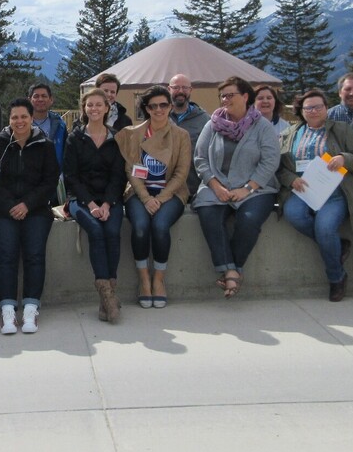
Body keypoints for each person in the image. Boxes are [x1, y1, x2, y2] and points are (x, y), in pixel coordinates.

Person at [193, 77, 280, 299]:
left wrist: (247, 189)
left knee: (249, 219)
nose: (225, 99)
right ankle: (230, 270)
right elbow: (200, 158)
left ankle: (234, 268)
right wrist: (215, 184)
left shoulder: (262, 126)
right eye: (222, 95)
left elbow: (270, 161)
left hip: (256, 189)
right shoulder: (212, 124)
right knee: (209, 215)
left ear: (245, 96)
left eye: (230, 94)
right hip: (216, 185)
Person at [277, 90, 353, 302]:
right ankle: (338, 245)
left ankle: (336, 278)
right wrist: (291, 179)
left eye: (319, 106)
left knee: (325, 228)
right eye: (309, 107)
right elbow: (279, 167)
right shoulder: (289, 133)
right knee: (294, 215)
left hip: (335, 193)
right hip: (302, 191)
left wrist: (344, 158)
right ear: (301, 111)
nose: (314, 111)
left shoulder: (342, 129)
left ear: (327, 108)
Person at [115, 85, 191, 309]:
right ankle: (144, 279)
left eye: (163, 105)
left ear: (170, 106)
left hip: (171, 192)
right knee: (139, 226)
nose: (158, 109)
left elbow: (181, 172)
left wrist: (162, 197)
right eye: (153, 106)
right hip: (139, 192)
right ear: (146, 108)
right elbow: (131, 169)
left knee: (159, 226)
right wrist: (146, 198)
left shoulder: (181, 136)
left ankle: (158, 279)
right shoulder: (134, 133)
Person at [0, 98, 60, 334]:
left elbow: (50, 181)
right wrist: (11, 205)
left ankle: (31, 308)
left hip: (36, 210)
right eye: (14, 117)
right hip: (4, 211)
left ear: (32, 118)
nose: (19, 121)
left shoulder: (45, 145)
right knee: (6, 258)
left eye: (24, 117)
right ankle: (7, 310)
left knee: (34, 256)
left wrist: (27, 204)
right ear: (9, 120)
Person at [64, 88, 126, 323]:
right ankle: (109, 297)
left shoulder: (116, 138)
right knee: (96, 231)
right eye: (90, 105)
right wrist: (90, 204)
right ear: (84, 108)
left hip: (110, 199)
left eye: (99, 104)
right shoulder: (75, 138)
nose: (94, 109)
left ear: (107, 107)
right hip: (80, 199)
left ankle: (107, 297)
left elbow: (118, 176)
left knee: (112, 231)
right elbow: (71, 176)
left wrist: (108, 204)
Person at [167, 73, 211, 199]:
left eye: (185, 88)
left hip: (195, 187)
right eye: (176, 87)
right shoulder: (160, 117)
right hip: (165, 187)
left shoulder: (205, 120)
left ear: (191, 90)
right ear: (168, 89)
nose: (180, 91)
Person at [28, 83, 67, 167]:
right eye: (36, 96)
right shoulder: (21, 124)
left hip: (54, 176)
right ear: (29, 100)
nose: (40, 99)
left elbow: (66, 155)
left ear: (51, 99)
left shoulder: (60, 126)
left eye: (44, 96)